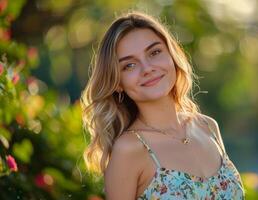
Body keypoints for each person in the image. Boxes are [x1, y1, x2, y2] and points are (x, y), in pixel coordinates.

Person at [80, 11, 245, 200]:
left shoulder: (208, 127)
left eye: (155, 52)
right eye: (129, 65)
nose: (147, 68)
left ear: (172, 56)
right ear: (117, 82)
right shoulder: (129, 149)